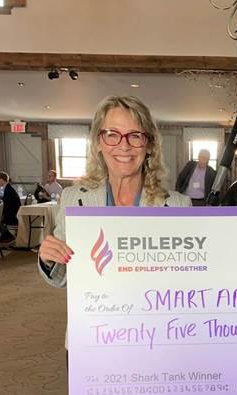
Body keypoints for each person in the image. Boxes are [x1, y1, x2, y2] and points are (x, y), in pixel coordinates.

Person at [38, 95, 191, 289]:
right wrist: (49, 259)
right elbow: (61, 279)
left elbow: (185, 278)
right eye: (112, 134)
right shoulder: (73, 199)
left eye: (135, 135)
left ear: (150, 145)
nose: (124, 146)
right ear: (98, 143)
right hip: (99, 313)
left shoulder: (178, 206)